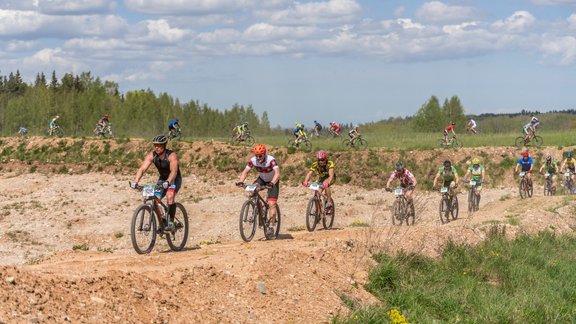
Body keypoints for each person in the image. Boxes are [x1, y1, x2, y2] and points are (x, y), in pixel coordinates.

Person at [130, 135, 182, 231]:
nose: (157, 147)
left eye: (159, 145)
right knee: (155, 198)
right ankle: (162, 221)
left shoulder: (171, 155)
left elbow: (174, 171)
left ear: (164, 145)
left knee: (170, 196)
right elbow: (142, 169)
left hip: (174, 178)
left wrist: (168, 182)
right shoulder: (152, 155)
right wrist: (135, 182)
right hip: (162, 179)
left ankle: (171, 222)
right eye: (155, 145)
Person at [237, 144, 281, 237]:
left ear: (264, 154)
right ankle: (259, 209)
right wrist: (241, 181)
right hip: (261, 179)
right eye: (256, 155)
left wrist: (272, 183)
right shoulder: (253, 160)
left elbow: (277, 173)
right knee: (252, 190)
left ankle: (271, 226)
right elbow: (245, 171)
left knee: (271, 204)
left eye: (260, 155)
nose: (258, 157)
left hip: (273, 181)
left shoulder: (271, 160)